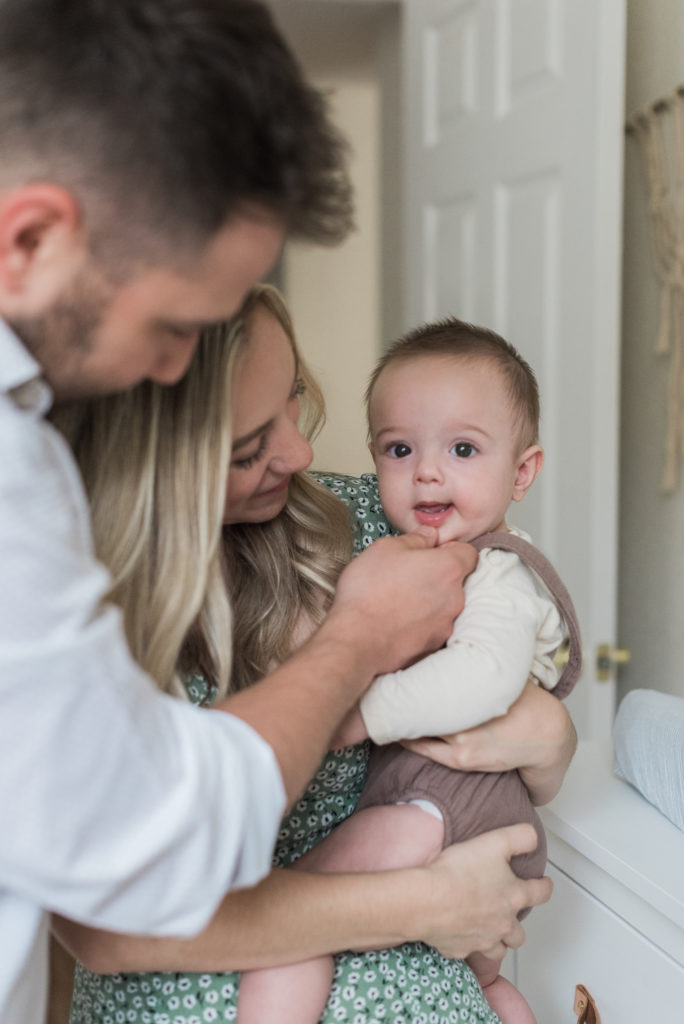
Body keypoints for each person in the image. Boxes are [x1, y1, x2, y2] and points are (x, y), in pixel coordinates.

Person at [0, 1, 478, 1019]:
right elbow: (132, 862)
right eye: (174, 327)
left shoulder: (355, 516)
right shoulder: (25, 494)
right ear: (29, 237)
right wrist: (356, 643)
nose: (167, 366)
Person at [54, 288, 577, 1024]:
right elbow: (105, 925)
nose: (300, 452)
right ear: (150, 463)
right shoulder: (70, 618)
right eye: (248, 446)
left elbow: (502, 695)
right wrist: (427, 901)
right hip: (202, 987)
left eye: (294, 397)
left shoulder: (379, 523)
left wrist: (552, 737)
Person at [236, 317, 582, 1024]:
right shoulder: (403, 547)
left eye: (461, 448)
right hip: (467, 819)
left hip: (443, 808)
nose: (427, 470)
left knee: (290, 921)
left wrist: (360, 711)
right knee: (488, 984)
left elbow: (485, 676)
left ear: (522, 472)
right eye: (400, 449)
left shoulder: (499, 570)